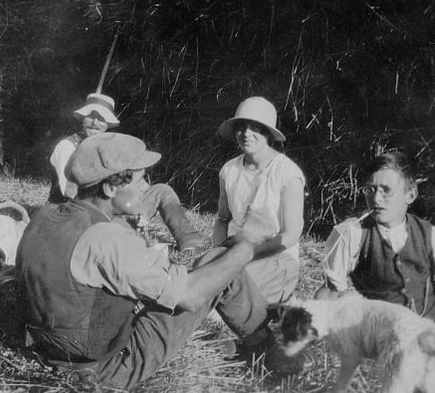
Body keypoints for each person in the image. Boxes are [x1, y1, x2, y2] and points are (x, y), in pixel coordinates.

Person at [17, 132, 303, 390]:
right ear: (109, 189)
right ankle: (272, 356)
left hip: (53, 349)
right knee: (226, 269)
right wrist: (245, 249)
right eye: (141, 179)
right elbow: (190, 297)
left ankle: (262, 346)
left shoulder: (46, 215)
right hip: (103, 370)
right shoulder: (106, 238)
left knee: (216, 258)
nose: (147, 187)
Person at [48, 93, 207, 252]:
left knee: (161, 190)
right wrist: (126, 210)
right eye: (90, 116)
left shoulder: (108, 145)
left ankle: (189, 240)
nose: (95, 122)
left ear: (108, 124)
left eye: (101, 118)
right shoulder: (67, 147)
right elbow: (69, 191)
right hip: (85, 216)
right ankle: (146, 240)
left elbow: (125, 185)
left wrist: (129, 204)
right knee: (141, 236)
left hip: (114, 206)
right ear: (82, 118)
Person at [317, 152, 435, 327]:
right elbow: (330, 291)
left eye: (386, 190)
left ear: (410, 195)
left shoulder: (430, 234)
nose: (376, 199)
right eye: (370, 189)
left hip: (434, 330)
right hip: (384, 335)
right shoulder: (351, 232)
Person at [213, 96, 305, 304]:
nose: (247, 134)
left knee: (226, 299)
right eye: (241, 127)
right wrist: (218, 255)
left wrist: (245, 255)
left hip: (274, 257)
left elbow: (290, 236)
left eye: (256, 128)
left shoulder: (288, 174)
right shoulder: (229, 170)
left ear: (269, 134)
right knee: (200, 281)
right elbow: (222, 218)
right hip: (234, 253)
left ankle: (284, 299)